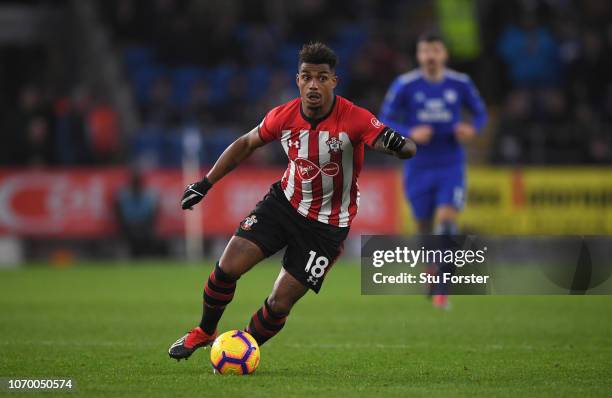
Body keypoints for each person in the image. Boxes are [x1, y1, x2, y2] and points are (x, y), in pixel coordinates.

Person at [168, 42, 416, 360]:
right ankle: (204, 332)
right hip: (284, 204)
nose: (314, 84)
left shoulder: (354, 118)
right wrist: (206, 183)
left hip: (327, 227)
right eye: (307, 77)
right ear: (297, 80)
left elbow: (404, 148)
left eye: (322, 78)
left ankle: (243, 349)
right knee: (226, 267)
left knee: (279, 303)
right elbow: (246, 143)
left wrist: (397, 144)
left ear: (333, 82)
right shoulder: (282, 116)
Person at [378, 33, 487, 309]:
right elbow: (385, 118)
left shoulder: (460, 83)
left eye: (435, 50)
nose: (430, 56)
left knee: (447, 221)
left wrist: (471, 128)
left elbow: (480, 113)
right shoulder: (405, 85)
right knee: (425, 226)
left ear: (444, 54)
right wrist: (409, 131)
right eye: (425, 51)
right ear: (418, 55)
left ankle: (442, 290)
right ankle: (431, 271)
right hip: (417, 165)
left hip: (450, 163)